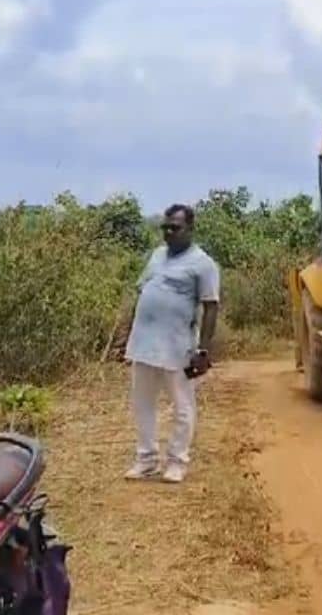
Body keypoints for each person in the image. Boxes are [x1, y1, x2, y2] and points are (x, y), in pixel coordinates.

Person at [123, 203, 220, 484]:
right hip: (144, 344)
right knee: (142, 404)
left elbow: (210, 307)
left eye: (175, 228)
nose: (168, 233)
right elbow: (143, 292)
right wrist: (127, 335)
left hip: (177, 347)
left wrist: (203, 351)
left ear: (190, 229)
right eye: (165, 227)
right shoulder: (157, 255)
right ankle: (146, 459)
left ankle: (177, 461)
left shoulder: (203, 263)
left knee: (182, 406)